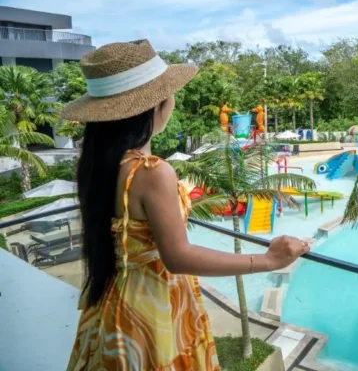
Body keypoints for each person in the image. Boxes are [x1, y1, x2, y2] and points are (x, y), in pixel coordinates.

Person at [61, 40, 308, 370]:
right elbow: (178, 256)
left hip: (115, 299)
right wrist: (267, 259)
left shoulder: (99, 166)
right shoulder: (151, 172)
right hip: (153, 308)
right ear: (157, 105)